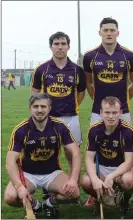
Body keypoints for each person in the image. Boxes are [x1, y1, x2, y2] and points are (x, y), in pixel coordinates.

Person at [4, 93, 81, 218]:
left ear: (49, 108)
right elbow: (10, 162)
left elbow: (76, 153)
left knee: (74, 193)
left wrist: (73, 180)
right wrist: (19, 187)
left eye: (43, 107)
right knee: (10, 197)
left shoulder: (60, 126)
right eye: (35, 106)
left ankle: (49, 203)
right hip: (27, 174)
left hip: (52, 173)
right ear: (30, 108)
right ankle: (36, 205)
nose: (39, 110)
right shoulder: (21, 130)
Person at [31, 31, 86, 201]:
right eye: (56, 44)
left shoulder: (77, 70)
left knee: (72, 153)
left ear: (68, 47)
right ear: (51, 46)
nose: (60, 47)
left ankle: (72, 182)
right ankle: (49, 187)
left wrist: (71, 106)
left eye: (63, 44)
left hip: (71, 117)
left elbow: (81, 93)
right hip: (49, 119)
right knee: (49, 152)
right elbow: (34, 94)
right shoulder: (41, 69)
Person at [80, 97, 133, 218]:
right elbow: (89, 159)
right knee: (86, 181)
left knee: (128, 180)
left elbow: (129, 162)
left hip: (121, 168)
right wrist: (95, 179)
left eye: (114, 112)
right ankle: (98, 200)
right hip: (101, 168)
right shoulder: (94, 130)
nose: (111, 116)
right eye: (107, 112)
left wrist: (111, 176)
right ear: (101, 113)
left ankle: (124, 203)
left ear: (121, 113)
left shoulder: (128, 131)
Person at [83, 17, 133, 126]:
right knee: (96, 141)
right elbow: (88, 83)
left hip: (123, 110)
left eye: (112, 30)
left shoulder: (129, 56)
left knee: (126, 141)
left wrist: (125, 98)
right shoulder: (89, 56)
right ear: (100, 33)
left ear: (118, 33)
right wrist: (98, 100)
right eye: (105, 30)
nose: (109, 33)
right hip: (98, 110)